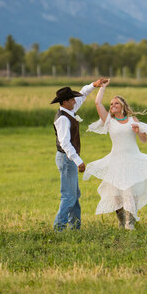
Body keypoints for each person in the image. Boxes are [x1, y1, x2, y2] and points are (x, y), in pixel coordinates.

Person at [83, 80, 147, 230]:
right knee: (115, 193)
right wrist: (102, 88)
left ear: (122, 106)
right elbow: (97, 103)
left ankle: (130, 223)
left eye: (116, 103)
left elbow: (143, 140)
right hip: (116, 160)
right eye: (111, 104)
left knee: (130, 192)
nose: (112, 106)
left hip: (132, 159)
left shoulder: (132, 120)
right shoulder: (109, 121)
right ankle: (121, 221)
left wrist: (138, 132)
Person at [51, 79, 107, 231]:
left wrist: (94, 85)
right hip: (67, 158)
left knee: (74, 195)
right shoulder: (63, 118)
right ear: (65, 102)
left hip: (69, 159)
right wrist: (78, 160)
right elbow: (65, 143)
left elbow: (82, 94)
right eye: (72, 99)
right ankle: (59, 228)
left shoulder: (70, 111)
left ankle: (75, 227)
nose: (75, 100)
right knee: (68, 196)